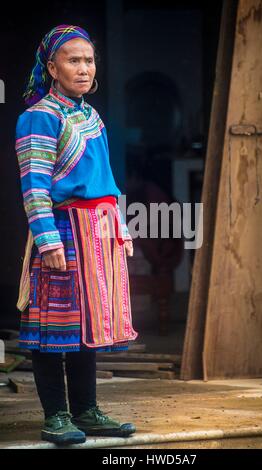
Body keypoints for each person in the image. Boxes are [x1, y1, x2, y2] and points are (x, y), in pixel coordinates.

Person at [15, 24, 138, 445]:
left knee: (86, 324)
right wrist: (47, 240)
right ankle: (57, 416)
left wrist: (118, 226)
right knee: (54, 327)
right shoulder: (39, 117)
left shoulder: (91, 115)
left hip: (98, 231)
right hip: (64, 230)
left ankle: (87, 411)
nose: (83, 68)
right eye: (73, 60)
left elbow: (104, 178)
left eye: (88, 60)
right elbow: (34, 184)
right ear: (52, 67)